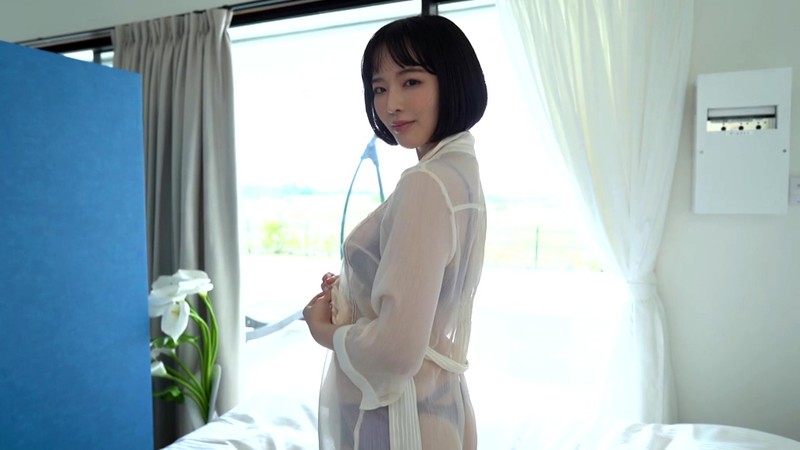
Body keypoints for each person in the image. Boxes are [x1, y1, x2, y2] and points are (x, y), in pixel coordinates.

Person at [303, 14, 488, 450]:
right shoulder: (460, 172)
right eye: (379, 88)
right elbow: (433, 296)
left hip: (401, 419)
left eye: (411, 82)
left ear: (453, 80)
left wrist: (321, 330)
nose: (391, 105)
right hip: (436, 405)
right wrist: (357, 288)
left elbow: (396, 350)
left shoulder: (426, 183)